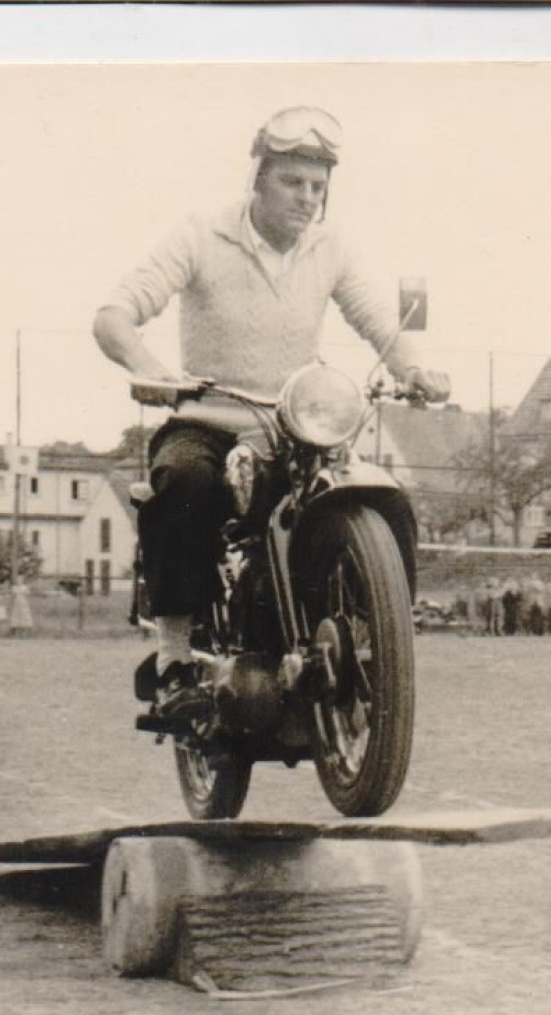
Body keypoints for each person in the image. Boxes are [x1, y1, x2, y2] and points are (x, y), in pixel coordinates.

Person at [92, 107, 449, 705]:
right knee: (182, 483)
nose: (307, 198)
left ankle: (374, 642)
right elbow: (114, 316)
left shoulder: (330, 247)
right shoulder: (201, 236)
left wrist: (415, 368)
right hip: (209, 416)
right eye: (293, 183)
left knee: (385, 500)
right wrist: (150, 371)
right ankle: (176, 658)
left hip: (297, 426)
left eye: (318, 187)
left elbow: (379, 324)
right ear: (258, 178)